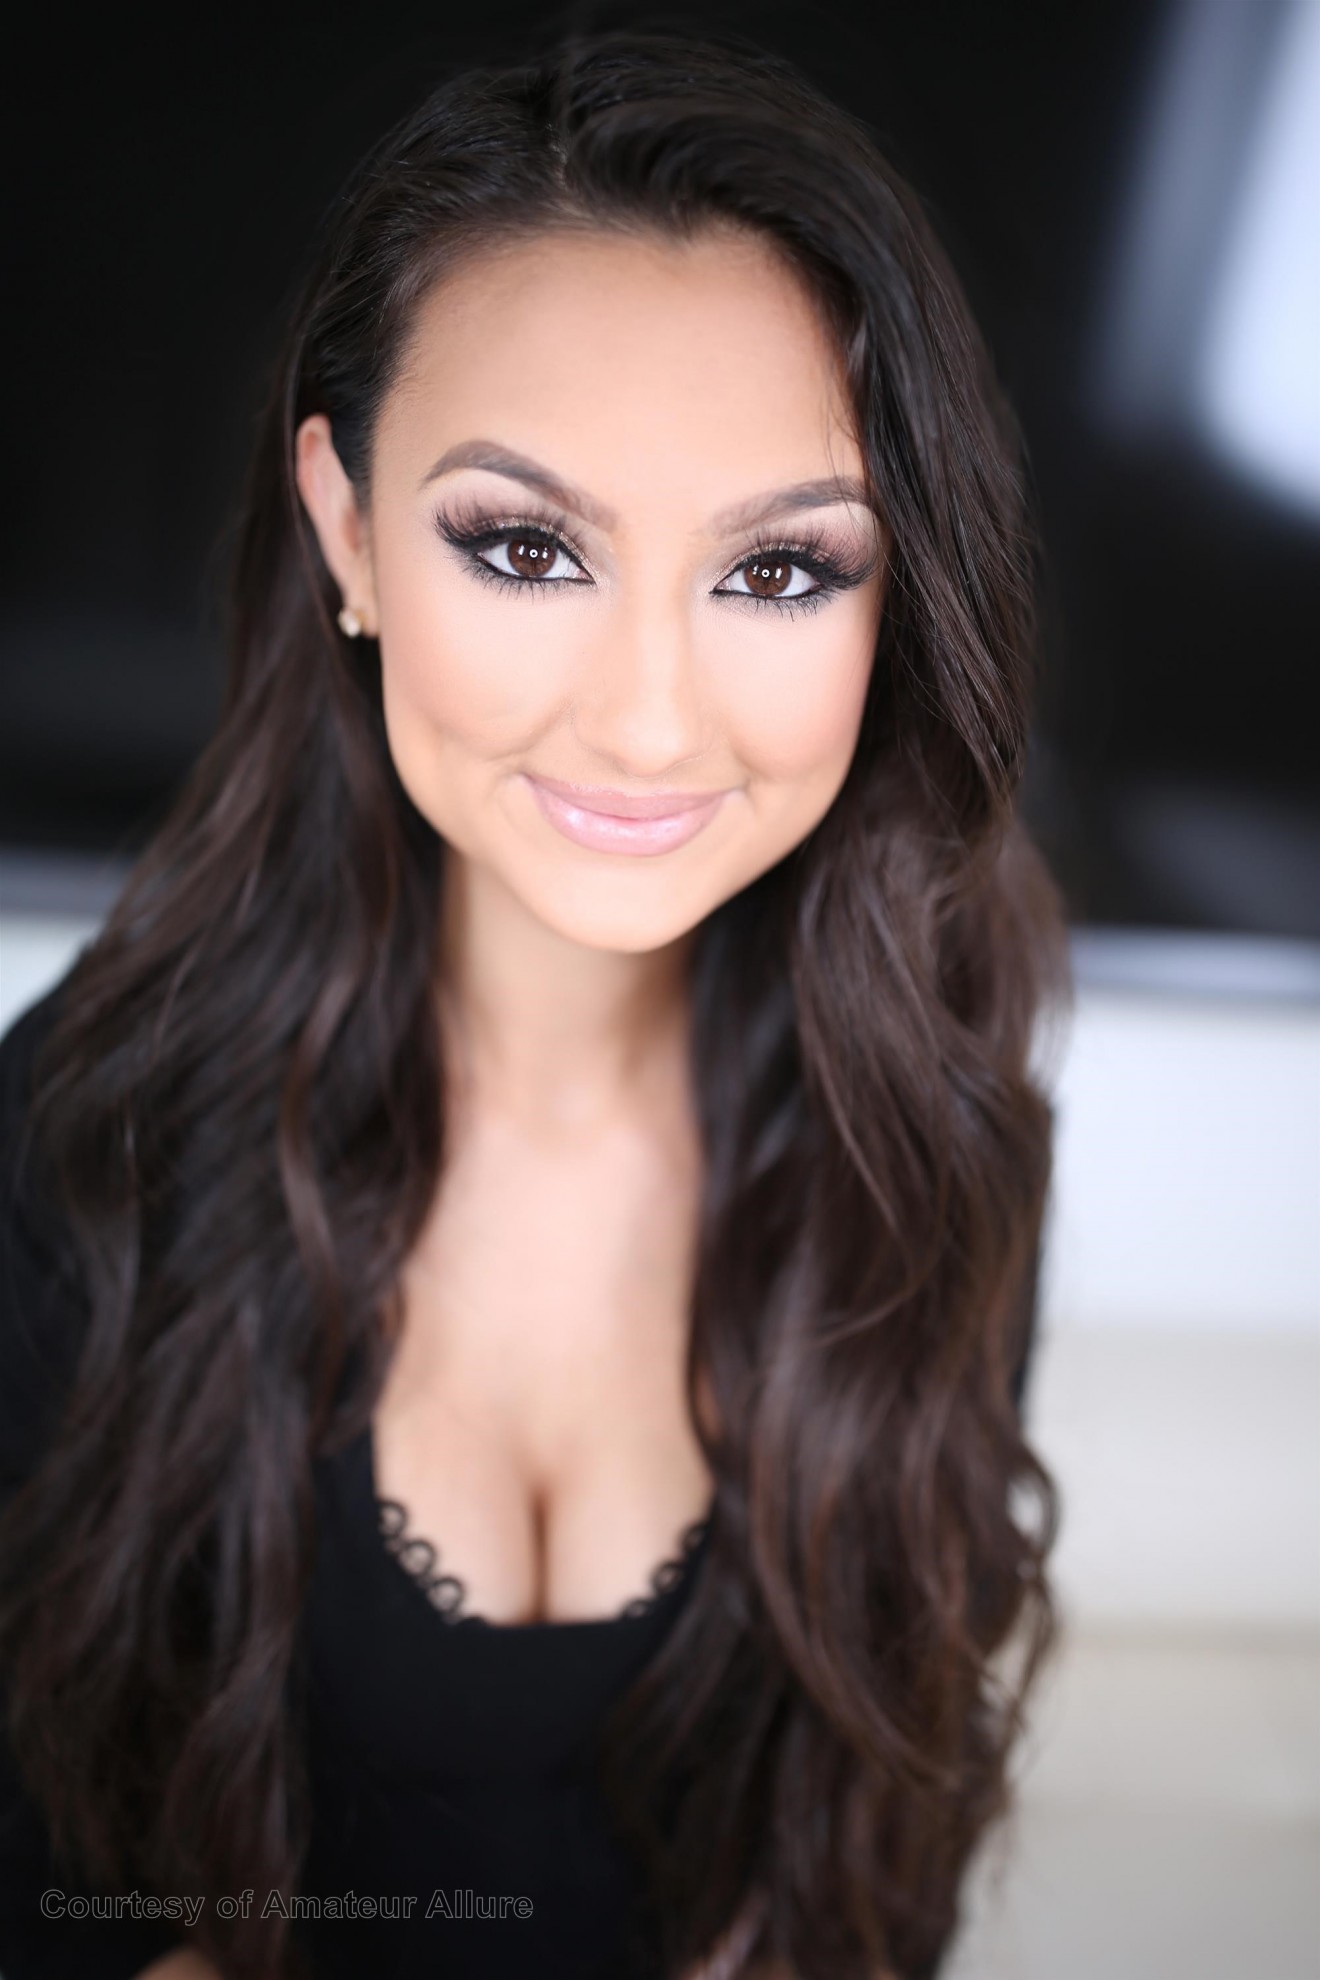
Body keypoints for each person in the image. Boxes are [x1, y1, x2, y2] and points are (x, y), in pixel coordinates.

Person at [0, 24, 1069, 1980]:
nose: (649, 720)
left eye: (781, 573)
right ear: (346, 533)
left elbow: (855, 1890)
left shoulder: (937, 1150)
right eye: (525, 546)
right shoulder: (77, 1142)